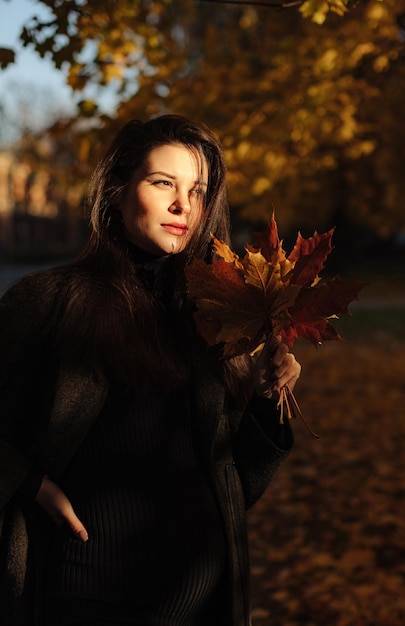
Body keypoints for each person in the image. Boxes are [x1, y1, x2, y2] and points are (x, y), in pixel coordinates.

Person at [0, 114, 300, 626]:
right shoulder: (48, 301)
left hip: (200, 599)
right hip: (84, 591)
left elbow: (235, 484)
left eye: (198, 190)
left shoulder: (216, 319)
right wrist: (30, 482)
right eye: (163, 183)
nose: (183, 205)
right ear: (116, 191)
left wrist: (270, 399)